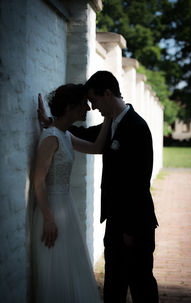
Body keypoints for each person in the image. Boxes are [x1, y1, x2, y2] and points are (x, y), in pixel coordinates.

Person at [38, 71, 159, 303]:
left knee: (141, 285)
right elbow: (79, 135)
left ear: (107, 93)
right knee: (114, 286)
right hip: (115, 221)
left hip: (135, 224)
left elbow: (139, 182)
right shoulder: (111, 124)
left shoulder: (137, 127)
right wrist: (51, 123)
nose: (92, 107)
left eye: (94, 100)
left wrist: (130, 231)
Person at [33, 83, 110, 303]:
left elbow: (96, 148)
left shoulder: (65, 135)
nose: (87, 109)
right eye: (82, 105)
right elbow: (38, 180)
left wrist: (110, 119)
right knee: (56, 270)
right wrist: (48, 218)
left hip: (66, 208)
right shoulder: (51, 137)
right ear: (69, 107)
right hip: (52, 211)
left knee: (70, 265)